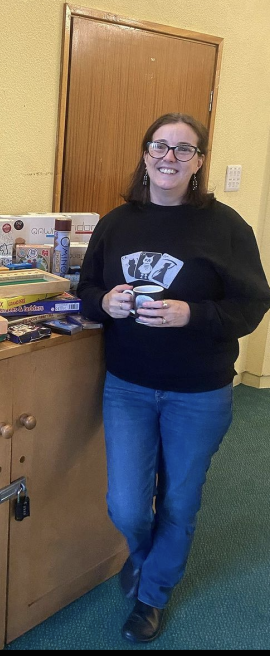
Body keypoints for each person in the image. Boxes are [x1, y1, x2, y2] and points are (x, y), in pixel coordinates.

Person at [77, 113, 270, 643]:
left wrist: (195, 314)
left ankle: (152, 594)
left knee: (181, 500)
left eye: (184, 150)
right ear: (144, 154)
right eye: (160, 146)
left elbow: (253, 304)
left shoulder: (227, 227)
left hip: (199, 391)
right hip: (129, 386)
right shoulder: (117, 222)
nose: (170, 157)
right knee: (128, 505)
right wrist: (104, 301)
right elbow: (86, 287)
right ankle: (143, 555)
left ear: (199, 162)